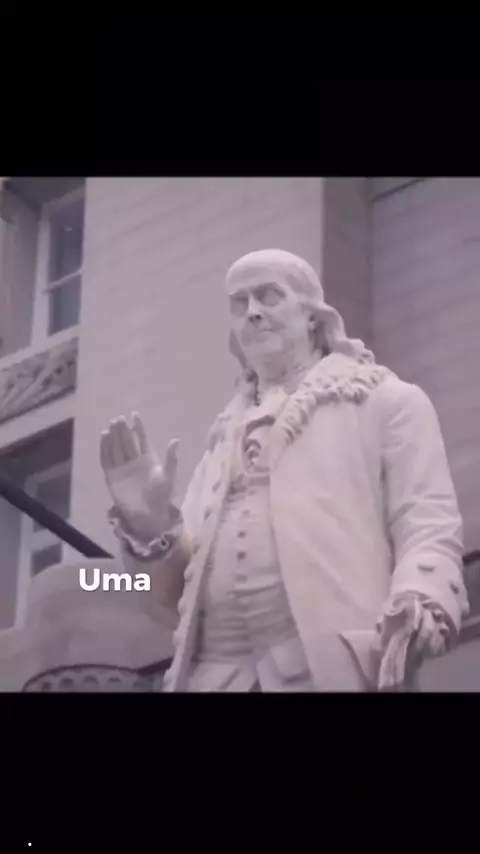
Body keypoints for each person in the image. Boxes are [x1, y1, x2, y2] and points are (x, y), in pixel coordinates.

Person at [100, 249, 468, 691]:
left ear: (313, 316)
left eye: (269, 296)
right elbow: (171, 601)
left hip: (332, 671)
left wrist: (422, 597)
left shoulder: (385, 402)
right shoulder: (220, 444)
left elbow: (427, 524)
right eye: (240, 303)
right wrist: (149, 525)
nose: (253, 313)